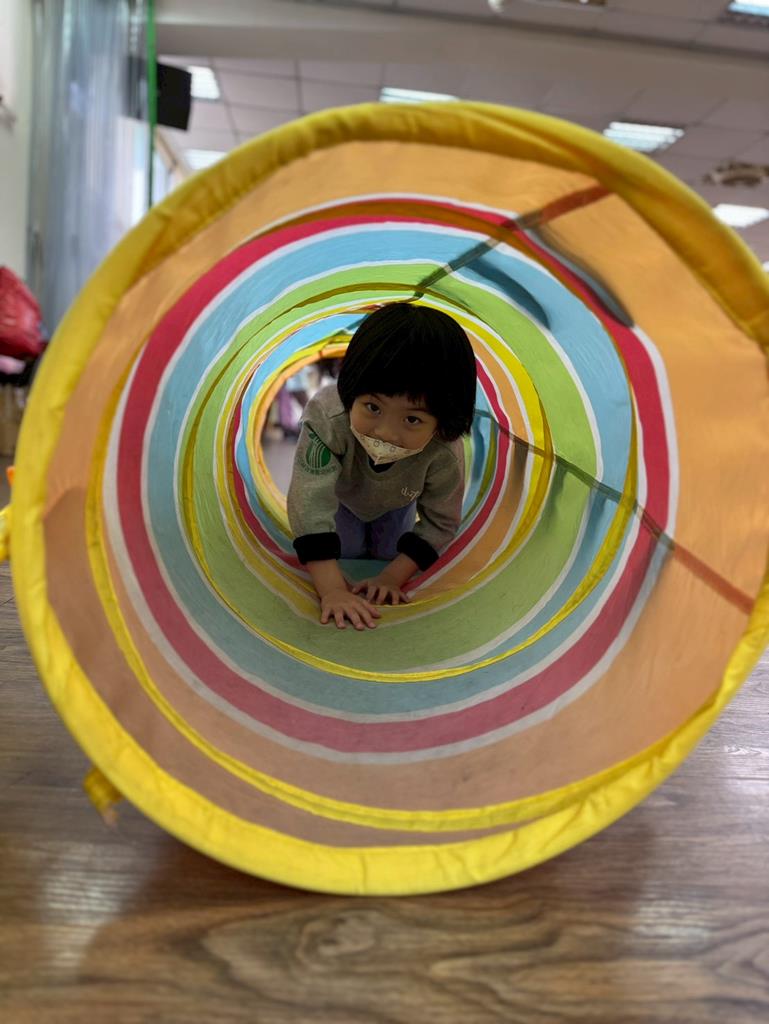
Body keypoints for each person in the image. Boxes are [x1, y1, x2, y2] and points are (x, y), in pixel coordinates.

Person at [287, 303, 477, 630]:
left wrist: (391, 578)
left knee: (389, 553)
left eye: (412, 419)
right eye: (373, 407)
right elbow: (308, 501)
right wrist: (332, 590)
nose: (386, 433)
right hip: (343, 498)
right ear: (351, 390)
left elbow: (441, 521)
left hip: (398, 500)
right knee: (347, 550)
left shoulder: (444, 449)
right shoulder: (329, 418)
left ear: (444, 421)